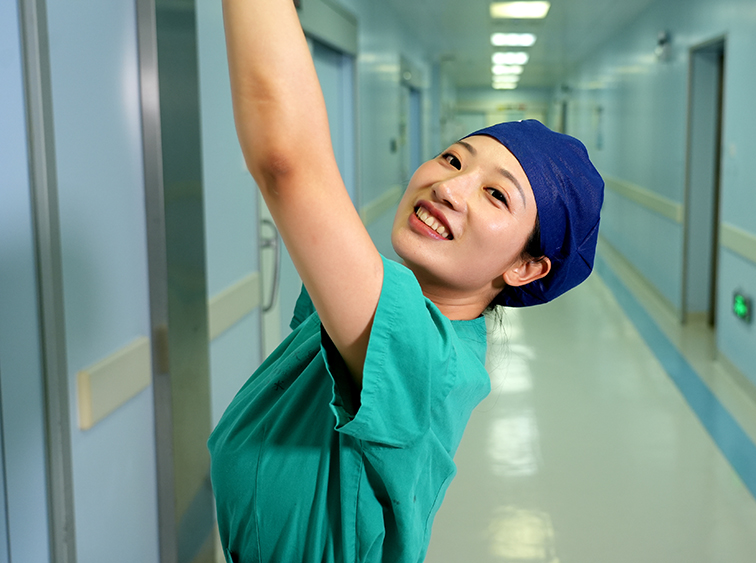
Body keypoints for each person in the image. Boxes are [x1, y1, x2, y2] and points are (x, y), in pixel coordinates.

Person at [207, 0, 603, 561]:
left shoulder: (422, 358)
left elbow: (286, 162)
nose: (450, 188)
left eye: (496, 195)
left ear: (523, 267)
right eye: (453, 160)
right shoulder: (380, 307)